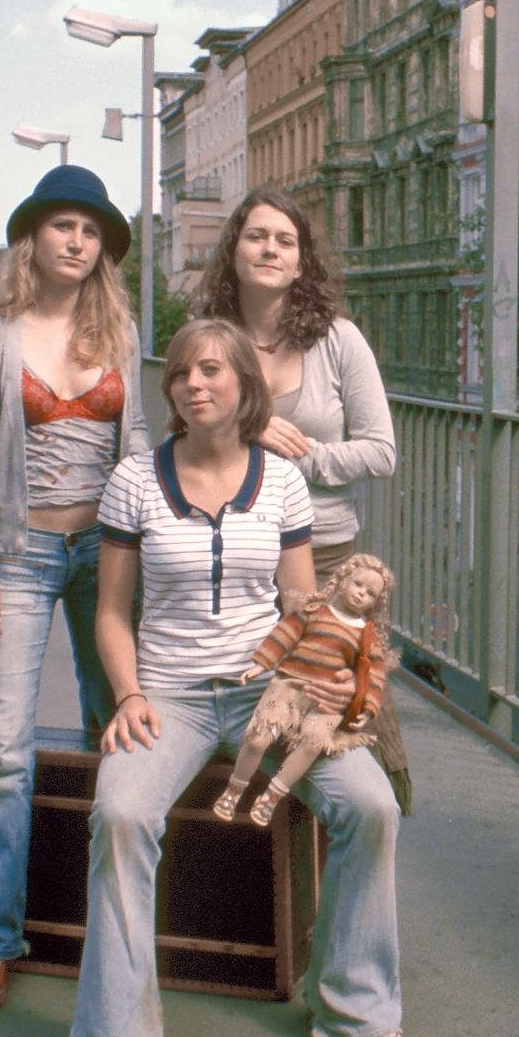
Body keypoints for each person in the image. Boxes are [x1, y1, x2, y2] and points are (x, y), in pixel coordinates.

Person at [67, 318, 403, 1037]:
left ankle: (353, 1003)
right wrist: (129, 695)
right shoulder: (135, 481)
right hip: (173, 695)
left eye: (212, 369)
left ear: (243, 386)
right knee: (118, 811)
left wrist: (320, 668)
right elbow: (112, 611)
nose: (194, 384)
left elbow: (294, 594)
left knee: (371, 804)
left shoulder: (282, 480)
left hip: (269, 690)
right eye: (182, 372)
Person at [0, 164, 148, 1015]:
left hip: (106, 556)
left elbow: (135, 439)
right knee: (3, 753)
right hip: (20, 557)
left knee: (127, 733)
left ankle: (122, 920)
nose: (76, 239)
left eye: (91, 228)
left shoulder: (121, 328)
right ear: (30, 237)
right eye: (62, 224)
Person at [194, 188, 413, 812]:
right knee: (250, 726)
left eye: (284, 241)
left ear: (300, 261)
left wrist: (305, 454)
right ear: (233, 252)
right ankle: (247, 890)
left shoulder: (338, 340)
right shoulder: (207, 340)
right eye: (256, 236)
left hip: (323, 562)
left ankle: (342, 865)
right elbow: (177, 439)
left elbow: (381, 452)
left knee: (337, 731)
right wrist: (242, 426)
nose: (269, 249)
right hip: (231, 559)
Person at [212, 553, 396, 828]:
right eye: (358, 584)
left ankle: (272, 797)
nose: (361, 594)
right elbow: (284, 635)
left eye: (370, 593)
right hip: (288, 685)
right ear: (343, 579)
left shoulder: (366, 636)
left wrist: (367, 707)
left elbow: (374, 676)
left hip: (325, 700)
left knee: (312, 744)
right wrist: (262, 665)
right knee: (258, 739)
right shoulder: (314, 611)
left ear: (376, 603)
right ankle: (234, 790)